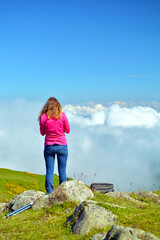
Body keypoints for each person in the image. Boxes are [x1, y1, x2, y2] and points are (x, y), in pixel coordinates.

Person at [38, 97, 70, 194]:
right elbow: (68, 130)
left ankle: (49, 193)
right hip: (62, 146)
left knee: (49, 172)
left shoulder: (43, 117)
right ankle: (63, 193)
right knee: (62, 172)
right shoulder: (62, 116)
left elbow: (42, 133)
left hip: (49, 146)